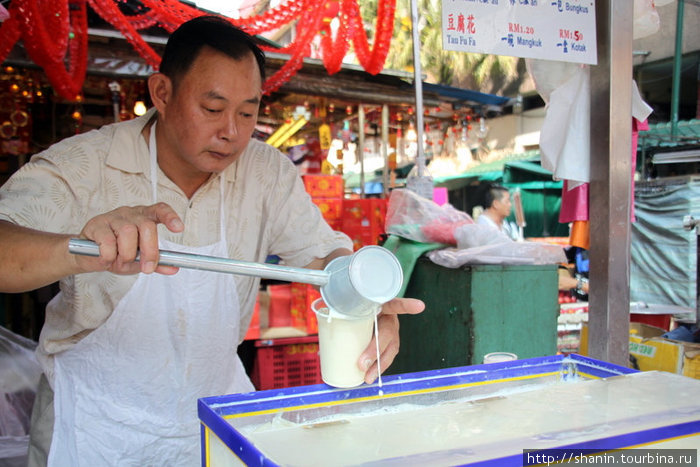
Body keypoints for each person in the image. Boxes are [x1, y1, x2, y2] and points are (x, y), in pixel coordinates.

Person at [0, 16, 424, 467]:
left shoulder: (265, 172)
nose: (232, 132)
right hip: (96, 423)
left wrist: (359, 295)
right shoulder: (83, 165)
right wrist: (79, 250)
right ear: (161, 93)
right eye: (212, 108)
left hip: (211, 416)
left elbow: (321, 253)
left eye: (247, 112)